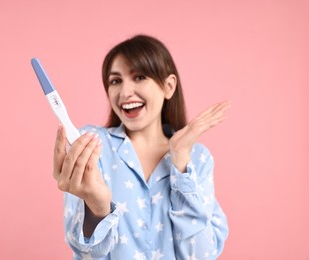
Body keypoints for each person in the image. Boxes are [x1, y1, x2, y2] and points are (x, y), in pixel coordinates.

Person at [53, 34, 230, 260]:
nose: (125, 92)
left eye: (139, 77)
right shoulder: (92, 145)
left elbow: (200, 256)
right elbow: (87, 254)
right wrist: (97, 209)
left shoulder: (198, 158)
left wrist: (181, 159)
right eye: (115, 81)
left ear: (168, 86)